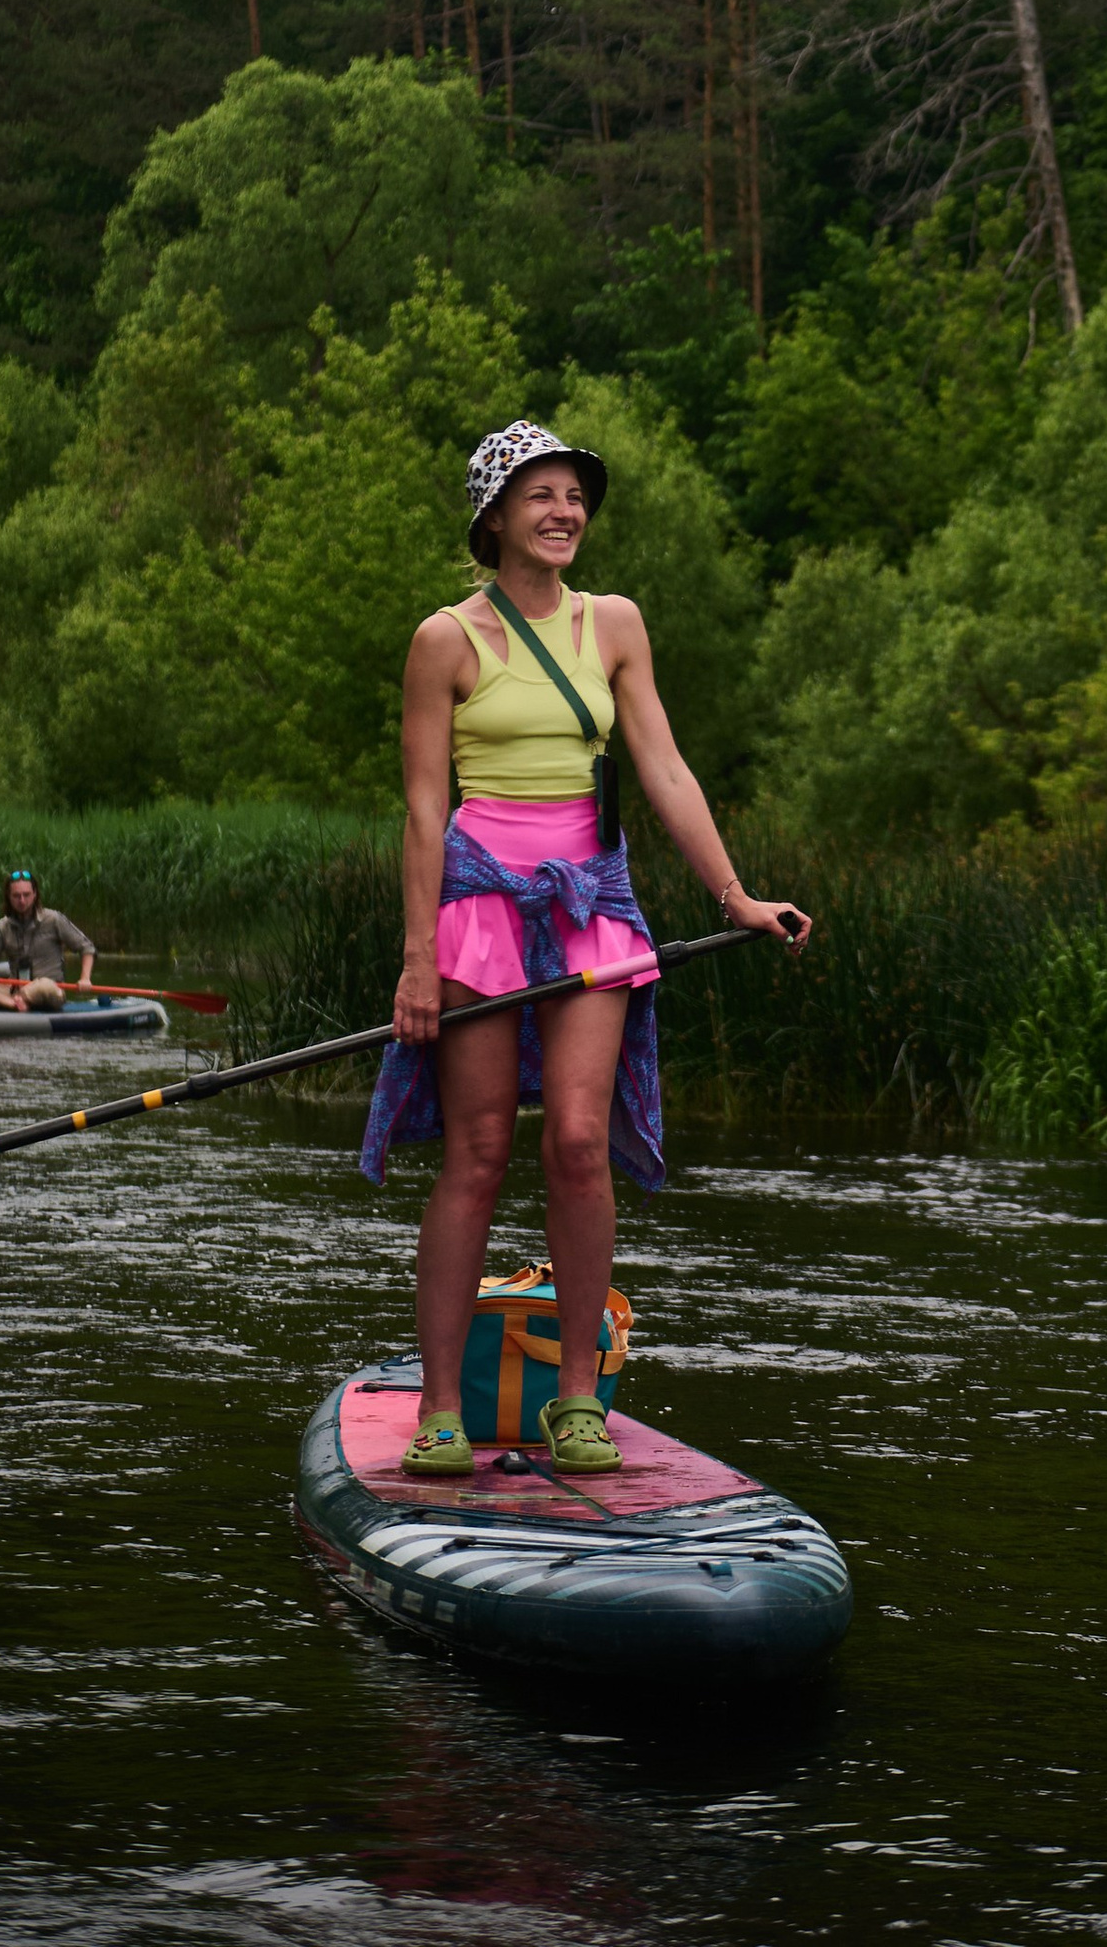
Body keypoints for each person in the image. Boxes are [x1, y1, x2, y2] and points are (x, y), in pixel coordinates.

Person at [365, 417, 809, 1482]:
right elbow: (425, 811)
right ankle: (439, 1407)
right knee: (476, 1155)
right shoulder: (445, 640)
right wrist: (417, 959)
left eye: (574, 494)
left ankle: (575, 1396)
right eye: (540, 495)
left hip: (592, 906)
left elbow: (662, 766)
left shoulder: (613, 623)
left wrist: (735, 893)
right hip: (477, 904)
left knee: (574, 1142)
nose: (564, 511)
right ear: (494, 517)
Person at [0, 871, 98, 1010]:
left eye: (26, 895)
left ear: (35, 894)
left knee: (43, 986)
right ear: (9, 897)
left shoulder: (53, 919)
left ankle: (15, 1001)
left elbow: (87, 948)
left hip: (50, 990)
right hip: (16, 989)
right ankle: (14, 1003)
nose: (22, 901)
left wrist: (85, 978)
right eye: (16, 896)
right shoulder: (2, 926)